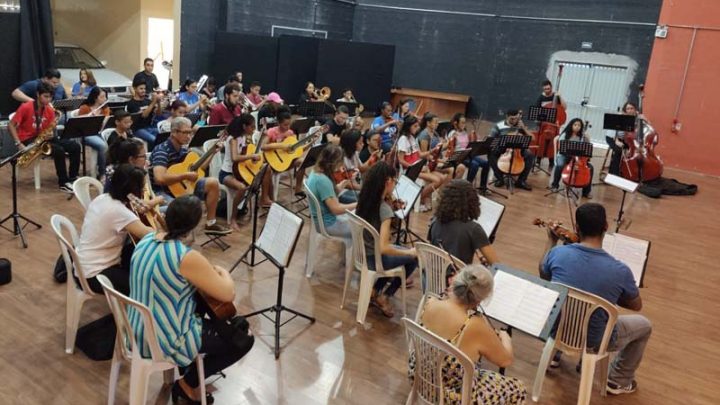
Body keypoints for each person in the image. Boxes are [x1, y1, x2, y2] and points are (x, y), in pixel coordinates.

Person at [129, 195, 253, 404]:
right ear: (194, 224)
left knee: (219, 321)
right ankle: (188, 383)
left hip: (135, 329)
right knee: (243, 339)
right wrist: (224, 272)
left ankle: (189, 373)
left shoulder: (147, 239)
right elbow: (227, 294)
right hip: (163, 339)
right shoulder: (184, 256)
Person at [540, 203, 651, 395]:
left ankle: (556, 354)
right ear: (606, 227)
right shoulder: (621, 270)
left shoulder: (557, 253)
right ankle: (618, 380)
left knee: (565, 300)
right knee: (644, 325)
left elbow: (544, 274)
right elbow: (636, 305)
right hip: (595, 341)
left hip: (556, 329)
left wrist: (551, 241)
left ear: (576, 228)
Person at [411, 265, 527, 404]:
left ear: (455, 283)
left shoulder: (431, 302)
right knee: (518, 388)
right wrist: (505, 337)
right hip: (450, 394)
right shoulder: (474, 325)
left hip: (419, 376)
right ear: (479, 300)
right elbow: (505, 360)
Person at [76, 163, 153, 294]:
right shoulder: (119, 212)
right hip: (95, 275)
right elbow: (149, 234)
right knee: (146, 288)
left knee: (134, 251)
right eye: (142, 188)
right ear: (133, 190)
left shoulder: (102, 198)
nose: (143, 191)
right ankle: (130, 312)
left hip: (83, 266)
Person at [355, 161, 418, 317]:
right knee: (413, 258)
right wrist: (410, 251)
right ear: (388, 181)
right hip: (375, 258)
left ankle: (375, 291)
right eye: (395, 180)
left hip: (362, 254)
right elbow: (384, 247)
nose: (395, 184)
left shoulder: (365, 199)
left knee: (403, 253)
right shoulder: (384, 209)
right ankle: (385, 295)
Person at [150, 116, 231, 235]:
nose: (189, 136)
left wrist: (212, 152)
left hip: (181, 188)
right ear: (174, 132)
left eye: (190, 132)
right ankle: (173, 236)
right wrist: (185, 176)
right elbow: (159, 178)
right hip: (162, 191)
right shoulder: (162, 151)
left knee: (212, 183)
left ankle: (210, 223)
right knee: (183, 205)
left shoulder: (183, 150)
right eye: (185, 133)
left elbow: (201, 168)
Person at [8, 82, 80, 192]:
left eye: (50, 97)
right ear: (37, 94)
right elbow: (10, 125)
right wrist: (18, 143)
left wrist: (50, 133)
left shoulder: (50, 110)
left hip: (43, 138)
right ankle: (63, 182)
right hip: (28, 139)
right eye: (45, 96)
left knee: (75, 146)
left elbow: (48, 129)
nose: (48, 100)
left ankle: (73, 178)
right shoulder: (26, 107)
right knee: (59, 150)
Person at [429, 179, 499, 266]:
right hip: (458, 278)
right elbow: (496, 265)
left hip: (430, 277)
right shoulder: (473, 229)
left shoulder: (435, 220)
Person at [306, 144, 357, 243]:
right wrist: (357, 205)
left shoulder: (315, 172)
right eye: (340, 163)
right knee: (362, 231)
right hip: (328, 224)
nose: (341, 166)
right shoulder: (323, 180)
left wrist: (345, 182)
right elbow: (336, 209)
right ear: (334, 163)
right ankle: (354, 257)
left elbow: (329, 194)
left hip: (321, 220)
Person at [397, 115, 447, 212]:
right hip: (410, 170)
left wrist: (431, 151)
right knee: (437, 180)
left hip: (418, 167)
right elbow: (401, 160)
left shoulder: (412, 138)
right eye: (415, 126)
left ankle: (422, 199)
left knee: (442, 178)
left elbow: (419, 154)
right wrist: (414, 167)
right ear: (408, 126)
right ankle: (416, 200)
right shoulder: (403, 139)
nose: (418, 128)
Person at [221, 114, 261, 229]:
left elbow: (243, 156)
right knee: (242, 187)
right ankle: (233, 218)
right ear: (244, 126)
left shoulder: (243, 137)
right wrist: (251, 155)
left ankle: (242, 207)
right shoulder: (233, 139)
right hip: (226, 173)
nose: (253, 130)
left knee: (255, 181)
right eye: (252, 127)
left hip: (238, 171)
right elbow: (235, 158)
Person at [260, 111, 306, 202]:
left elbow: (297, 150)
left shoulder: (290, 133)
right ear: (279, 123)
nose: (288, 127)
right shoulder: (271, 132)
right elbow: (263, 147)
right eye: (285, 125)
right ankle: (268, 197)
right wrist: (282, 146)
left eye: (289, 124)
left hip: (285, 161)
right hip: (273, 162)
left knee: (302, 161)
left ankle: (298, 188)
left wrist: (310, 143)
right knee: (267, 169)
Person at [488, 109, 535, 191]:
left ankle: (521, 181)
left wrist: (524, 128)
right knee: (491, 153)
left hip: (518, 149)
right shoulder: (499, 125)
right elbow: (491, 139)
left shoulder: (520, 126)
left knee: (530, 155)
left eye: (516, 118)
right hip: (503, 148)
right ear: (507, 117)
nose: (514, 121)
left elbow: (533, 138)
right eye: (512, 119)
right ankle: (500, 178)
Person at [550, 118, 593, 198]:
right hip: (564, 155)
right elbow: (560, 148)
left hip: (577, 158)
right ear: (571, 125)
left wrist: (588, 139)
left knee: (590, 168)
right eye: (575, 125)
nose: (577, 127)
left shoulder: (582, 137)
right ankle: (554, 185)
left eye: (579, 125)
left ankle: (586, 192)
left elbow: (586, 149)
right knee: (560, 165)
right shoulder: (565, 134)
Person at [448, 113, 490, 193]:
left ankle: (483, 187)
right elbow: (451, 148)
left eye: (465, 122)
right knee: (475, 164)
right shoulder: (453, 133)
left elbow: (467, 144)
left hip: (468, 154)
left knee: (486, 163)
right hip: (459, 156)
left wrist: (474, 140)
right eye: (462, 123)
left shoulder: (464, 132)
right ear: (456, 123)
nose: (464, 124)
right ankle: (467, 188)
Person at [418, 113, 466, 180]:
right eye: (435, 122)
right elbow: (426, 156)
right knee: (451, 169)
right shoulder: (424, 136)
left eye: (438, 122)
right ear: (428, 123)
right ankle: (445, 190)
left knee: (461, 167)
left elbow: (441, 148)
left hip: (438, 160)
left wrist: (451, 140)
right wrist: (441, 161)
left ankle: (453, 188)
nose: (437, 124)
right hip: (430, 163)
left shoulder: (434, 133)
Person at [77, 87, 111, 178]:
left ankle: (107, 169)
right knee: (102, 146)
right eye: (102, 97)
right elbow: (78, 124)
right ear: (95, 98)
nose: (105, 99)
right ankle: (102, 173)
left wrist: (102, 120)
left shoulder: (105, 109)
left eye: (105, 97)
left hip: (99, 132)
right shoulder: (85, 108)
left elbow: (103, 127)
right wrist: (89, 118)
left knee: (110, 144)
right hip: (86, 134)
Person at [606, 101, 641, 176]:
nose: (630, 110)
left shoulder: (637, 119)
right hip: (612, 137)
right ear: (625, 110)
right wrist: (616, 141)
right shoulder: (620, 117)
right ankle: (614, 174)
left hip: (627, 140)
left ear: (635, 109)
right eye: (628, 109)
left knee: (635, 152)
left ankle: (626, 171)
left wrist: (630, 147)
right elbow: (612, 132)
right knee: (618, 150)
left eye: (632, 108)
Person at [126, 79, 162, 148]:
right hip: (138, 129)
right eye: (141, 88)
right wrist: (153, 102)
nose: (143, 90)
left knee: (164, 136)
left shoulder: (147, 101)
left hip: (150, 127)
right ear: (135, 89)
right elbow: (144, 115)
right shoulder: (131, 103)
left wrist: (158, 102)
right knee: (154, 139)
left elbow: (159, 114)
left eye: (144, 88)